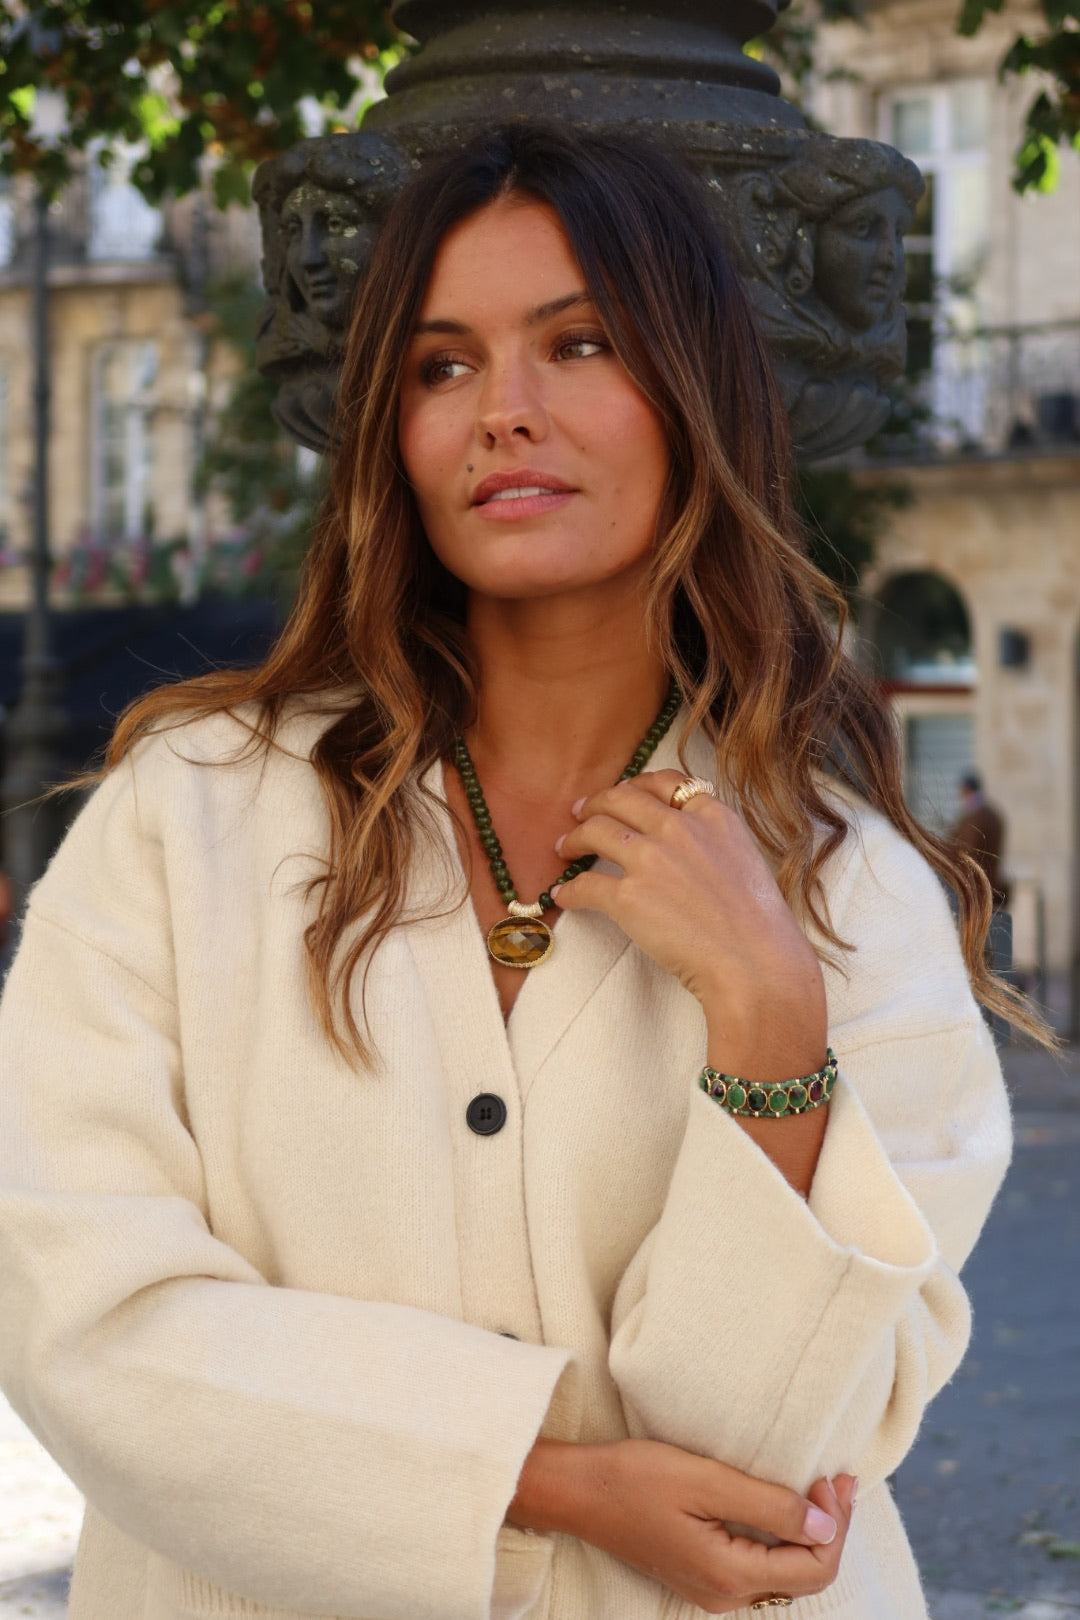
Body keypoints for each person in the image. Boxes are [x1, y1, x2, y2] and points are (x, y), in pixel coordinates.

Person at [0, 125, 1045, 1620]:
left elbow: (767, 1452)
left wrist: (771, 1029)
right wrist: (537, 1482)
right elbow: (79, 1318)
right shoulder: (189, 817)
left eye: (580, 344)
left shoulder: (849, 892)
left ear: (691, 393)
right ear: (394, 433)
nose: (504, 411)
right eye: (442, 366)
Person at [950, 770, 1010, 911]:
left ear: (966, 790)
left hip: (976, 889)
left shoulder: (974, 817)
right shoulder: (993, 814)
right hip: (991, 887)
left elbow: (968, 852)